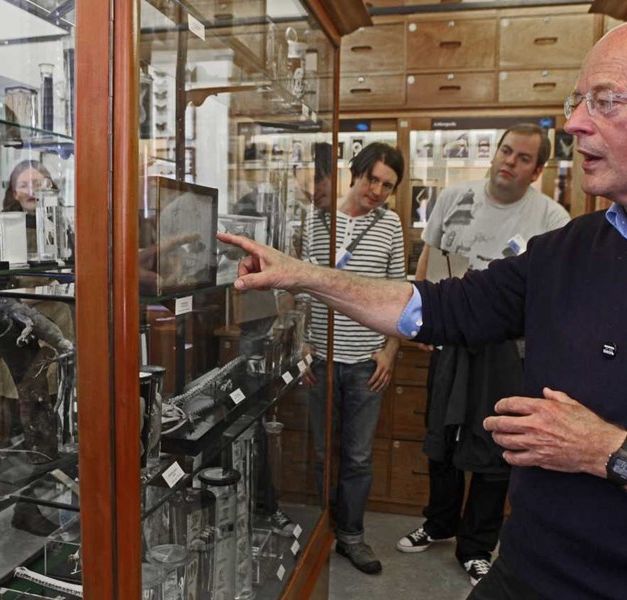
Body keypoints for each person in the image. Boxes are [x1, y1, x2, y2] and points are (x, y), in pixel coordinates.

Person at [217, 23, 627, 599]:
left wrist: (610, 451)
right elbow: (436, 304)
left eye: (605, 101)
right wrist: (300, 273)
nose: (576, 122)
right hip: (528, 571)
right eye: (576, 101)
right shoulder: (568, 248)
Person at [395, 124, 570, 587]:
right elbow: (427, 261)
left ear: (537, 170)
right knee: (442, 437)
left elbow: (551, 296)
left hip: (507, 352)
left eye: (522, 158)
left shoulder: (553, 219)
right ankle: (438, 523)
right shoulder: (453, 199)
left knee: (496, 447)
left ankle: (477, 546)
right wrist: (425, 322)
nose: (509, 162)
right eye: (505, 151)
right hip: (452, 338)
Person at [301, 142, 406, 574]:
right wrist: (301, 345)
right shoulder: (317, 218)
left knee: (359, 456)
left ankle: (352, 537)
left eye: (387, 185)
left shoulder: (391, 225)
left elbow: (400, 293)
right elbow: (301, 285)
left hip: (365, 363)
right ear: (355, 173)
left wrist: (391, 350)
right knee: (323, 451)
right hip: (320, 360)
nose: (377, 191)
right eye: (372, 179)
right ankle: (320, 529)